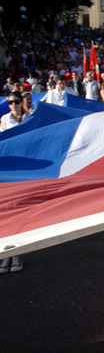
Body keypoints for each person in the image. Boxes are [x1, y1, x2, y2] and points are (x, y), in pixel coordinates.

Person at [0, 91, 29, 273]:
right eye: (10, 102)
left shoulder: (30, 119)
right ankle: (5, 254)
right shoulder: (4, 120)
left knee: (20, 209)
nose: (13, 105)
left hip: (26, 171)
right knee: (6, 209)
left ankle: (18, 252)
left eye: (16, 102)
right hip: (9, 170)